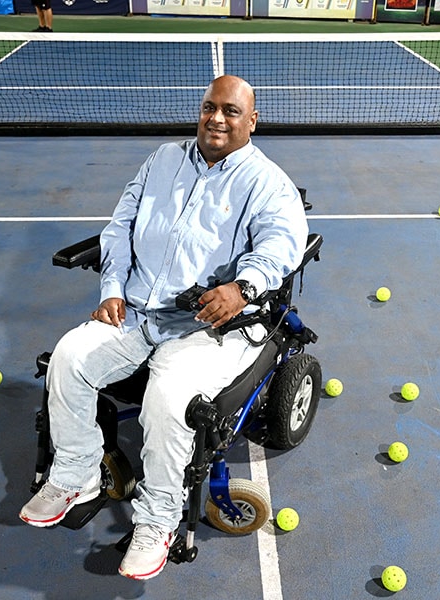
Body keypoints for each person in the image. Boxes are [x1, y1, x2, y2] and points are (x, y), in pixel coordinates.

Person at [19, 75, 308, 580]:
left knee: (168, 400)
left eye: (231, 112)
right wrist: (111, 288)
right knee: (68, 358)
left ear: (252, 121)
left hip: (209, 327)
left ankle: (157, 520)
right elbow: (121, 226)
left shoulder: (266, 183)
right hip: (137, 311)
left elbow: (280, 247)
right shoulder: (163, 159)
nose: (217, 118)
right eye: (209, 108)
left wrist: (243, 287)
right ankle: (76, 477)